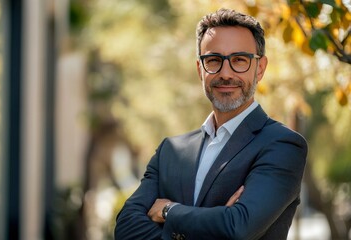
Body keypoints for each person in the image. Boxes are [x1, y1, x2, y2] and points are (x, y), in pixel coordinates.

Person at [114, 8, 307, 240]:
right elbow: (125, 229)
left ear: (260, 68)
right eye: (214, 60)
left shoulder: (282, 145)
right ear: (200, 69)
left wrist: (169, 211)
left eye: (239, 60)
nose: (226, 73)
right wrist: (216, 222)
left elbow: (238, 228)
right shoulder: (171, 151)